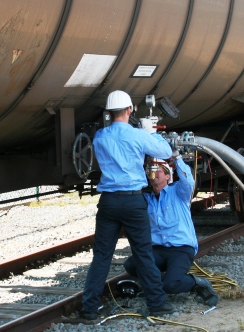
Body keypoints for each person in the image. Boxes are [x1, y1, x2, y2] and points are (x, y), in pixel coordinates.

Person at [80, 90, 174, 321]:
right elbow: (165, 152)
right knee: (143, 254)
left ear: (109, 113)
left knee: (102, 256)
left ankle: (89, 309)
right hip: (133, 201)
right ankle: (157, 305)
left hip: (109, 202)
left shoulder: (100, 136)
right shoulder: (137, 135)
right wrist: (150, 132)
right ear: (130, 110)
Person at [123, 155, 219, 307]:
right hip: (158, 250)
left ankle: (197, 283)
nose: (154, 173)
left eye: (159, 170)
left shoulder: (179, 192)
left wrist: (177, 159)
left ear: (168, 176)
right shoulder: (146, 199)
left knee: (171, 285)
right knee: (131, 264)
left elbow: (188, 181)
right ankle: (156, 285)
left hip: (181, 249)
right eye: (151, 170)